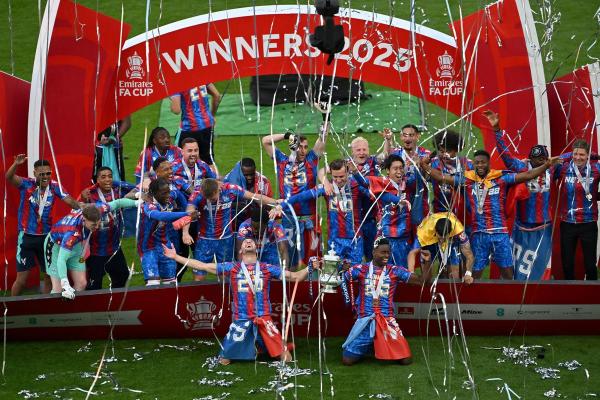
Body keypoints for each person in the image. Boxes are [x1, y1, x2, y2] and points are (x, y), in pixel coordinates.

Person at [162, 237, 321, 365]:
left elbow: (295, 277)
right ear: (241, 251)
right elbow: (203, 266)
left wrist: (310, 267)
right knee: (224, 360)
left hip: (263, 318)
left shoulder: (267, 268)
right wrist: (176, 257)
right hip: (241, 320)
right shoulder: (232, 267)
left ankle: (264, 345)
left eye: (251, 241)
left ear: (257, 250)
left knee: (286, 359)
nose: (249, 242)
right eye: (245, 242)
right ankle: (258, 346)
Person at [422, 150, 559, 279]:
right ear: (473, 164)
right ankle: (472, 302)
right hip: (479, 234)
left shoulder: (501, 178)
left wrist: (546, 165)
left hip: (500, 233)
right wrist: (423, 165)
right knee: (474, 273)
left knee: (508, 273)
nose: (480, 165)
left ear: (489, 163)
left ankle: (509, 301)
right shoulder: (467, 180)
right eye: (477, 163)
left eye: (483, 162)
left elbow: (528, 175)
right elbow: (440, 177)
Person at [485, 110, 555, 281]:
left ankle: (539, 293)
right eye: (536, 160)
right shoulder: (521, 167)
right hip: (522, 227)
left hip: (543, 227)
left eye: (543, 160)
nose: (540, 164)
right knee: (516, 266)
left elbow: (569, 158)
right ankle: (513, 294)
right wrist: (497, 130)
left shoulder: (552, 168)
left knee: (540, 264)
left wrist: (595, 156)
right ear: (530, 158)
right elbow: (506, 155)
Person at [341, 237, 430, 366]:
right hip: (365, 320)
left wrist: (426, 263)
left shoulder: (394, 270)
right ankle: (370, 344)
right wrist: (342, 268)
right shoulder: (361, 269)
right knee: (347, 361)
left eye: (388, 252)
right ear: (374, 252)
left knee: (406, 360)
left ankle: (377, 342)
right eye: (383, 252)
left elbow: (422, 281)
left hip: (387, 321)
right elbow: (339, 280)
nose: (386, 255)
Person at [6, 155, 80, 296]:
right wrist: (16, 164)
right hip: (26, 237)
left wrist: (84, 208)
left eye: (48, 173)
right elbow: (9, 177)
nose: (45, 177)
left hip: (46, 238)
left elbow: (70, 201)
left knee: (48, 276)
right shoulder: (27, 184)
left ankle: (45, 305)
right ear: (34, 174)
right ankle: (10, 310)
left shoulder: (54, 186)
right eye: (42, 174)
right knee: (22, 279)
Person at [184, 178, 278, 281]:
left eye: (212, 198)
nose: (209, 201)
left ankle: (224, 297)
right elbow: (189, 213)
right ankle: (200, 297)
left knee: (225, 276)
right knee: (199, 276)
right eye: (207, 198)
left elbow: (254, 197)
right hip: (205, 240)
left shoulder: (230, 189)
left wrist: (276, 202)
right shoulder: (197, 194)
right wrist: (185, 233)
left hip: (226, 240)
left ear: (217, 190)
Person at [261, 122, 327, 268]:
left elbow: (323, 137)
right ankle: (291, 288)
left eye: (305, 147)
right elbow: (265, 140)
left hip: (309, 218)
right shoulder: (281, 160)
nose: (303, 150)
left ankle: (315, 288)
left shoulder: (312, 159)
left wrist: (325, 117)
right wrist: (287, 136)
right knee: (290, 258)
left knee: (315, 259)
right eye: (299, 147)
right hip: (288, 217)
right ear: (292, 147)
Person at [45, 199, 138, 299]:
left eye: (98, 223)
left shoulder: (98, 210)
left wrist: (137, 202)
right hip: (55, 247)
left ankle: (73, 311)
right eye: (94, 225)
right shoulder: (72, 234)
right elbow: (61, 259)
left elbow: (118, 203)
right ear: (84, 219)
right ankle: (55, 311)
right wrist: (65, 283)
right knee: (59, 289)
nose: (97, 227)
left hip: (76, 245)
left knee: (81, 284)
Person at [284, 159, 372, 264]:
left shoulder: (356, 186)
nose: (338, 180)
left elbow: (371, 192)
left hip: (355, 239)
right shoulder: (327, 187)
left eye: (341, 177)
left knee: (354, 274)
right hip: (334, 240)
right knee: (334, 274)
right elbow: (301, 196)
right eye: (335, 177)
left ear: (348, 173)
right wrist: (281, 206)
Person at [351, 154, 416, 267]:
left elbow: (420, 177)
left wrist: (421, 164)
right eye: (395, 168)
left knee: (402, 272)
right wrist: (355, 173)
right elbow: (365, 182)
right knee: (384, 272)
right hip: (386, 237)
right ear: (387, 171)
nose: (399, 171)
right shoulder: (382, 184)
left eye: (401, 168)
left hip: (403, 238)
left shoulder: (407, 183)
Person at [78, 167, 136, 290]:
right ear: (97, 179)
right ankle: (95, 307)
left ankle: (113, 300)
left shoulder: (117, 191)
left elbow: (136, 188)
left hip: (114, 246)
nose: (107, 179)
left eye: (110, 176)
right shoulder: (89, 194)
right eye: (103, 177)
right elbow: (77, 210)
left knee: (123, 276)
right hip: (94, 249)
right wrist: (83, 198)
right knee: (95, 284)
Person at [553, 139, 600, 280]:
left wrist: (596, 156)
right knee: (567, 264)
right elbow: (550, 164)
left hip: (589, 222)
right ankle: (569, 296)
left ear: (588, 156)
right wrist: (568, 155)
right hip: (568, 223)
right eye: (575, 154)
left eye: (582, 155)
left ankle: (593, 297)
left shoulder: (596, 169)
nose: (578, 157)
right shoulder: (563, 168)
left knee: (590, 265)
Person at [138, 178, 193, 285]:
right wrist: (186, 214)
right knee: (153, 285)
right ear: (154, 193)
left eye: (168, 192)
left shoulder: (169, 198)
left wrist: (189, 214)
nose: (168, 195)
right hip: (149, 249)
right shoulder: (149, 206)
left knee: (171, 284)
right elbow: (161, 216)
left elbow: (174, 222)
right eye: (164, 193)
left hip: (166, 247)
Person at [382, 124, 431, 225]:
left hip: (420, 198)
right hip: (401, 197)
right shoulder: (396, 154)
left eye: (411, 135)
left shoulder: (425, 154)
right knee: (403, 229)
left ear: (418, 136)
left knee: (420, 230)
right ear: (401, 137)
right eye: (404, 135)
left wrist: (421, 166)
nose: (407, 138)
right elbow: (385, 159)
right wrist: (387, 140)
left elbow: (429, 178)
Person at [407, 213, 474, 282]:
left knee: (454, 275)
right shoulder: (424, 232)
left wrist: (468, 273)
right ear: (435, 231)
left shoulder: (458, 229)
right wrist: (410, 274)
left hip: (450, 241)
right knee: (426, 278)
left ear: (450, 232)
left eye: (444, 238)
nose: (442, 240)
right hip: (430, 241)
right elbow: (412, 253)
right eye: (440, 238)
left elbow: (469, 255)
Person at [348, 136, 382, 261]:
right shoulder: (347, 163)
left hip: (370, 217)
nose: (362, 153)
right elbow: (325, 170)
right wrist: (326, 183)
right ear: (352, 151)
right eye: (358, 150)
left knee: (372, 254)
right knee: (353, 256)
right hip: (352, 220)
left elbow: (386, 155)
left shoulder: (374, 161)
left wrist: (388, 141)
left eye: (364, 149)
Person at [170, 83, 221, 166]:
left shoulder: (177, 82)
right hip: (207, 125)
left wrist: (172, 103)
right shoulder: (201, 74)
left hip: (189, 128)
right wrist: (212, 115)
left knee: (179, 159)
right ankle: (214, 178)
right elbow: (217, 95)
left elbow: (176, 110)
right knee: (208, 160)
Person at [429, 130, 473, 217]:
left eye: (448, 151)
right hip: (440, 215)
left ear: (456, 150)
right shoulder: (433, 164)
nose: (445, 155)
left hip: (464, 215)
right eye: (441, 151)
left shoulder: (468, 165)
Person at [224, 157, 273, 229]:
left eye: (252, 174)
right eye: (246, 175)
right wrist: (236, 205)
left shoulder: (263, 182)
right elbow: (222, 204)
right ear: (240, 172)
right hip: (235, 219)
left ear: (255, 169)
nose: (249, 177)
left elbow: (269, 206)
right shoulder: (229, 180)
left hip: (255, 222)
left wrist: (258, 203)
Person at [92, 116, 131, 183]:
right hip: (93, 149)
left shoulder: (118, 105)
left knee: (116, 183)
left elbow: (127, 122)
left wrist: (115, 138)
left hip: (113, 147)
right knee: (93, 181)